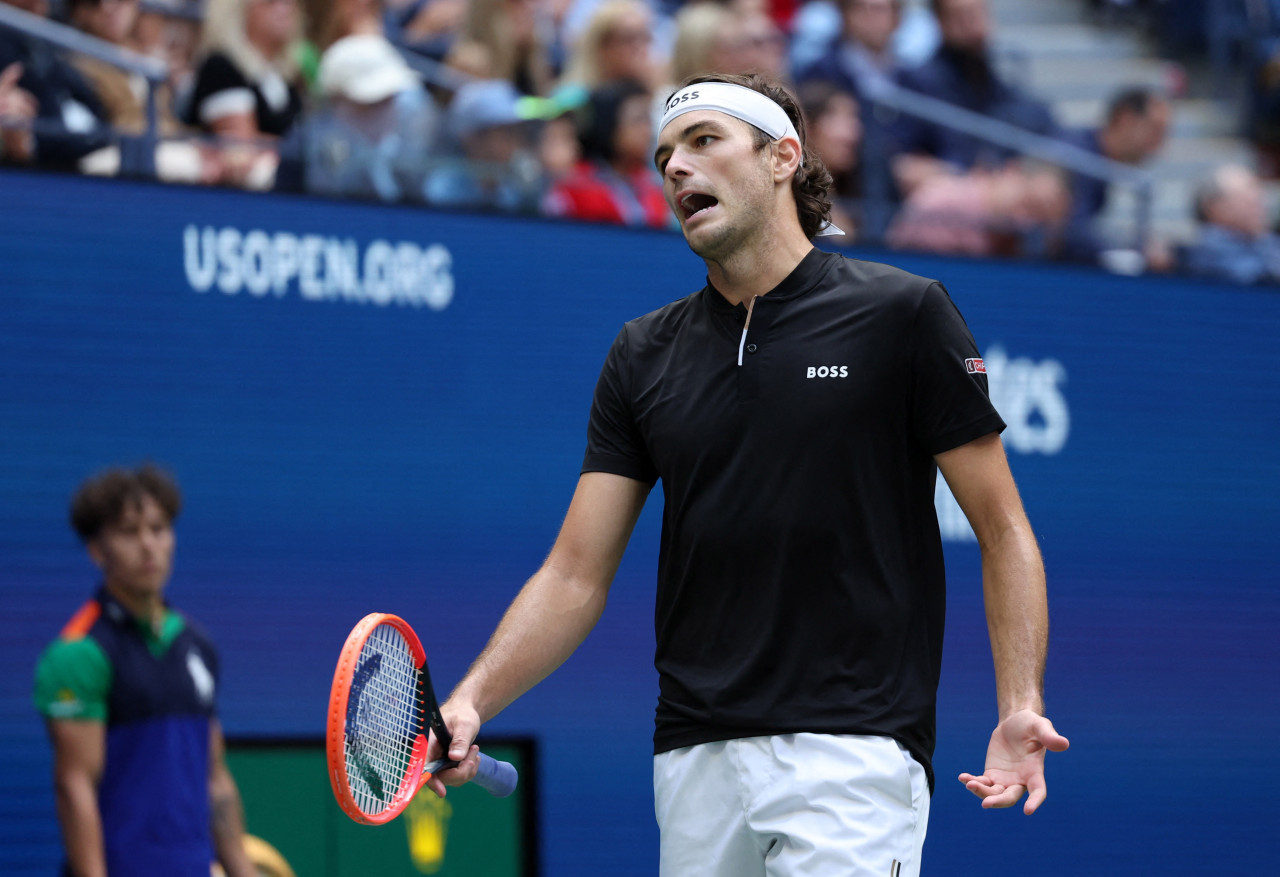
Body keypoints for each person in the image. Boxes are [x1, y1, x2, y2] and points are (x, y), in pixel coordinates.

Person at [426, 72, 1069, 875]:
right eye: (664, 157)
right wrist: (471, 698)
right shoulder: (640, 353)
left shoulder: (903, 314)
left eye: (703, 142)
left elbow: (1004, 529)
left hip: (855, 753)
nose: (676, 170)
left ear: (782, 158)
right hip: (694, 760)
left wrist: (1020, 704)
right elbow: (573, 575)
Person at [33, 464, 255, 877]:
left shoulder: (197, 645)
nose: (148, 545)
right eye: (129, 532)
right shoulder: (78, 654)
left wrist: (242, 869)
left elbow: (215, 779)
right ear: (97, 550)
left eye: (158, 528)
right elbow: (74, 787)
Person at [1057, 86, 1170, 265]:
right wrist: (1130, 248)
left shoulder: (1096, 161)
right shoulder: (1079, 159)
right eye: (1155, 130)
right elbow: (1071, 232)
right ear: (1125, 120)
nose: (1159, 146)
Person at [542, 78, 671, 228]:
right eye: (638, 120)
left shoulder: (654, 184)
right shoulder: (575, 186)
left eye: (648, 120)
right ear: (608, 125)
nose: (647, 131)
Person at [1182, 163, 1280, 285]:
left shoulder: (1266, 241)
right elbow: (1250, 275)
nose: (1259, 206)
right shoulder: (1204, 249)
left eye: (1259, 197)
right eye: (1246, 199)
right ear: (1213, 207)